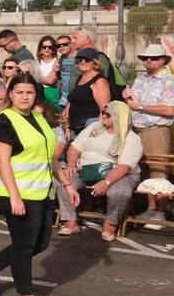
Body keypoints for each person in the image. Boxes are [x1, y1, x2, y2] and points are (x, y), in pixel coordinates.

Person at [0, 71, 63, 296]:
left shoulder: (37, 118)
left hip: (41, 191)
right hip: (16, 193)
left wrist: (66, 183)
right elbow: (1, 161)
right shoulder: (4, 121)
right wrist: (14, 197)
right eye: (20, 92)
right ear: (10, 94)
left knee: (40, 244)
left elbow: (49, 156)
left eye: (30, 92)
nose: (25, 97)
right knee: (23, 247)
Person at [55, 100, 143, 240]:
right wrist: (71, 165)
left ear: (119, 116)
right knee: (64, 182)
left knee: (119, 192)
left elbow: (124, 166)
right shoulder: (93, 128)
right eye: (102, 113)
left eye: (108, 114)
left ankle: (110, 225)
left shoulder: (131, 138)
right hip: (86, 168)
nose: (103, 116)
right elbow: (74, 148)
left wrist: (106, 182)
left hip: (119, 173)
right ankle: (71, 222)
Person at [123, 43, 174, 173]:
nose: (148, 60)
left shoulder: (170, 81)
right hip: (134, 131)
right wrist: (127, 98)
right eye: (145, 58)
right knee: (135, 173)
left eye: (154, 58)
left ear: (163, 60)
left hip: (156, 132)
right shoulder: (140, 79)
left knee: (157, 174)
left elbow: (170, 110)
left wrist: (140, 107)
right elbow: (133, 105)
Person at [62, 47, 113, 135]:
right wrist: (68, 126)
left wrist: (96, 131)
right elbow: (73, 100)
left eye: (87, 60)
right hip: (75, 126)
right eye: (79, 60)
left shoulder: (99, 81)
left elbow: (104, 108)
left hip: (90, 125)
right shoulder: (80, 79)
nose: (83, 62)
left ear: (95, 62)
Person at [33, 37, 63, 112]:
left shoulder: (57, 62)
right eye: (44, 47)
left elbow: (50, 81)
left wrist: (35, 77)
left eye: (50, 47)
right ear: (40, 49)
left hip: (52, 94)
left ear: (53, 50)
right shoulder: (35, 63)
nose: (47, 49)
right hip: (37, 94)